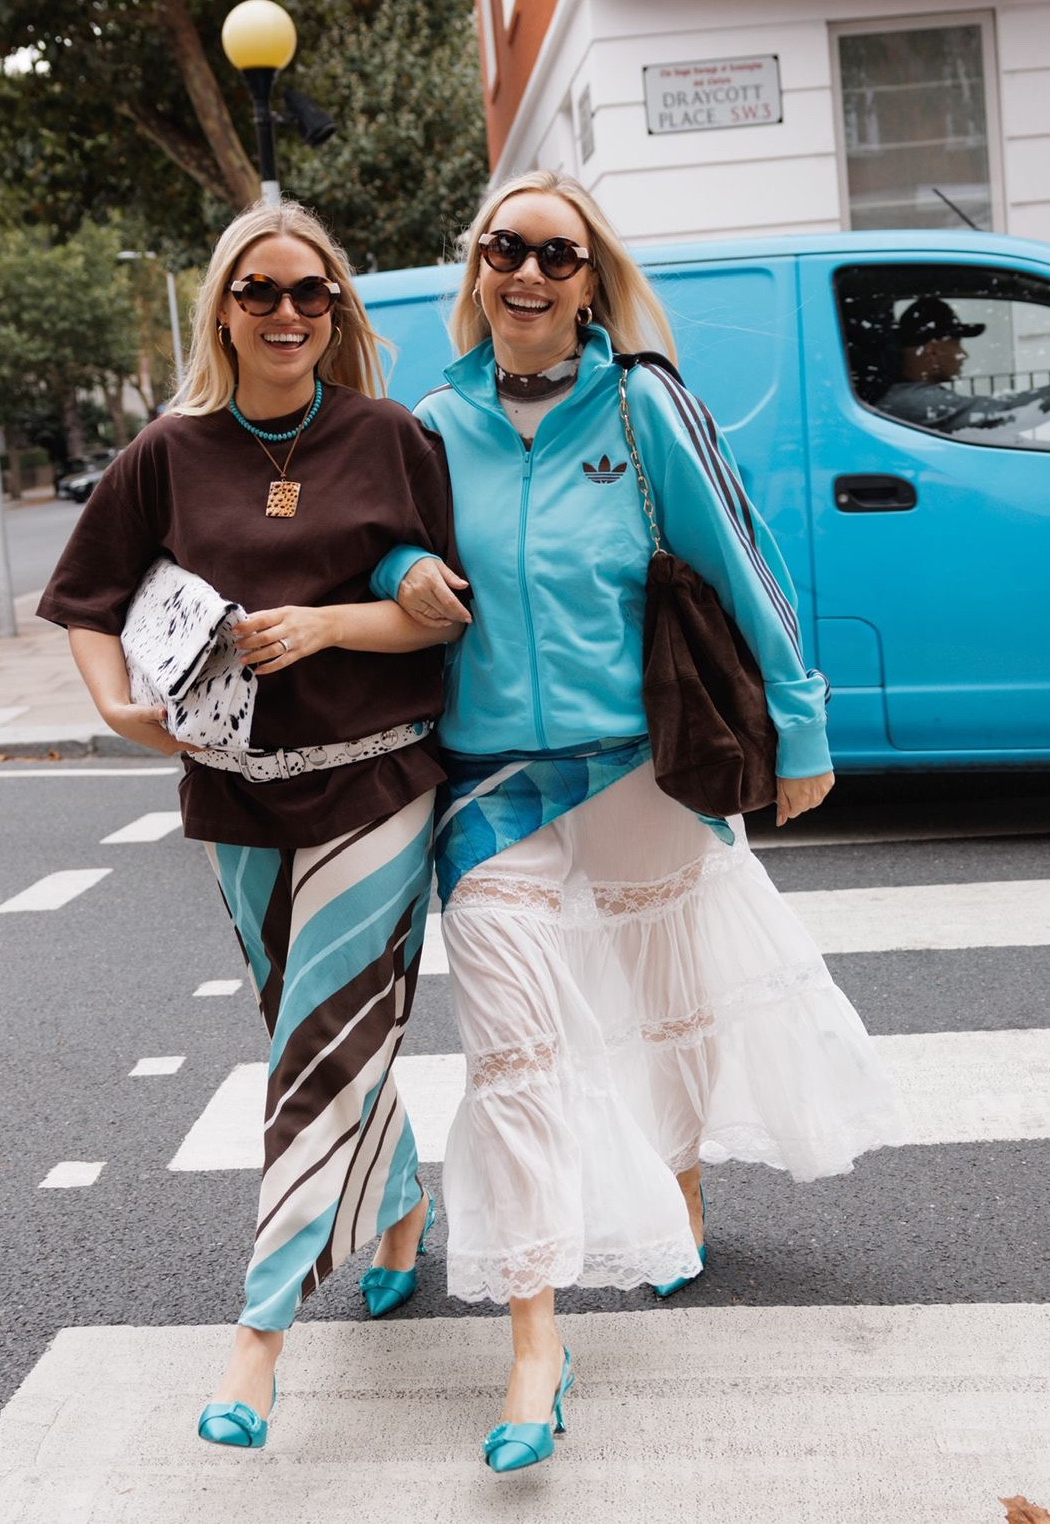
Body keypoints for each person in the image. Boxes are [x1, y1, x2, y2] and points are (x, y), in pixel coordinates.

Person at [372, 170, 908, 1473]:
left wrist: (804, 726)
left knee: (673, 1005)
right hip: (493, 792)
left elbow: (741, 553)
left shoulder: (643, 404)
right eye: (506, 248)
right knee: (517, 1060)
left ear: (590, 276)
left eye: (557, 255)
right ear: (479, 267)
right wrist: (404, 572)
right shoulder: (431, 425)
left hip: (638, 767)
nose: (529, 274)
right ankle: (534, 1354)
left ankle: (676, 1186)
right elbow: (369, 549)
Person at [37, 200, 464, 1449]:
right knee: (314, 1030)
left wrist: (334, 621)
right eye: (261, 292)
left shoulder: (389, 436)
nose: (286, 314)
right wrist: (116, 706)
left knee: (319, 1042)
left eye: (311, 293)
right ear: (223, 306)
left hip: (379, 781)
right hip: (232, 793)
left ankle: (256, 1341)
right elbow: (86, 596)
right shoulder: (166, 453)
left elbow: (443, 612)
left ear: (337, 310)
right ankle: (395, 1207)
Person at [877, 295, 1050, 443]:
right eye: (957, 344)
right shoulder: (914, 402)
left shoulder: (905, 397)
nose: (963, 354)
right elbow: (1006, 411)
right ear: (933, 350)